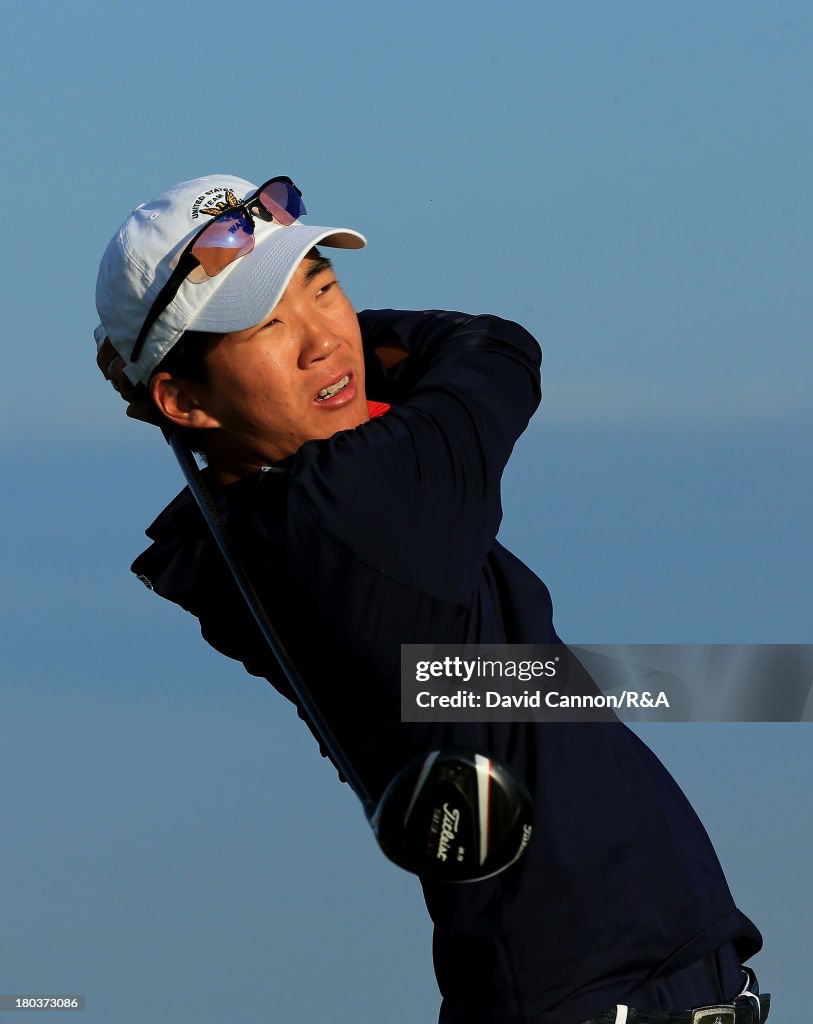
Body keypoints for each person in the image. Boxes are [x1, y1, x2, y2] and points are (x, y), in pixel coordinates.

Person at [95, 173, 768, 1024]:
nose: (320, 342)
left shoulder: (265, 521)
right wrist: (363, 340)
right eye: (267, 326)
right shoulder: (353, 509)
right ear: (183, 400)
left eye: (323, 289)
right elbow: (493, 350)